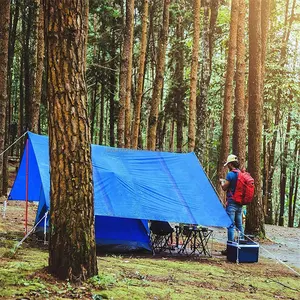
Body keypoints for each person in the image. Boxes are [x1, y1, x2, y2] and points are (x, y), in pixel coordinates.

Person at [220, 154, 244, 254]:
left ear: (230, 164)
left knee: (230, 225)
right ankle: (241, 245)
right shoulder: (241, 174)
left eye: (228, 164)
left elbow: (225, 188)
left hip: (232, 203)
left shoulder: (230, 175)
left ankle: (230, 248)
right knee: (239, 225)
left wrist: (221, 182)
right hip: (240, 203)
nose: (228, 166)